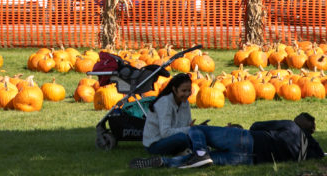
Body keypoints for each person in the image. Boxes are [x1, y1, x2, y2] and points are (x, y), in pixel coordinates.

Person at [132, 113, 324, 169]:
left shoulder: (290, 126)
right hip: (250, 160)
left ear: (299, 122)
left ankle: (200, 152)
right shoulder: (312, 150)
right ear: (311, 132)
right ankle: (165, 163)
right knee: (209, 159)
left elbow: (256, 124)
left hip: (247, 140)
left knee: (197, 129)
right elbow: (321, 155)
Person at [133, 73, 213, 169]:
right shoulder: (165, 103)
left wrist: (191, 128)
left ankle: (193, 153)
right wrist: (190, 129)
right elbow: (165, 133)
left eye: (189, 91)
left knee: (201, 132)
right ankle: (199, 152)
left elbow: (185, 125)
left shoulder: (185, 103)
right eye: (183, 91)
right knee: (183, 138)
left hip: (173, 137)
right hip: (155, 144)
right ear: (174, 90)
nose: (187, 94)